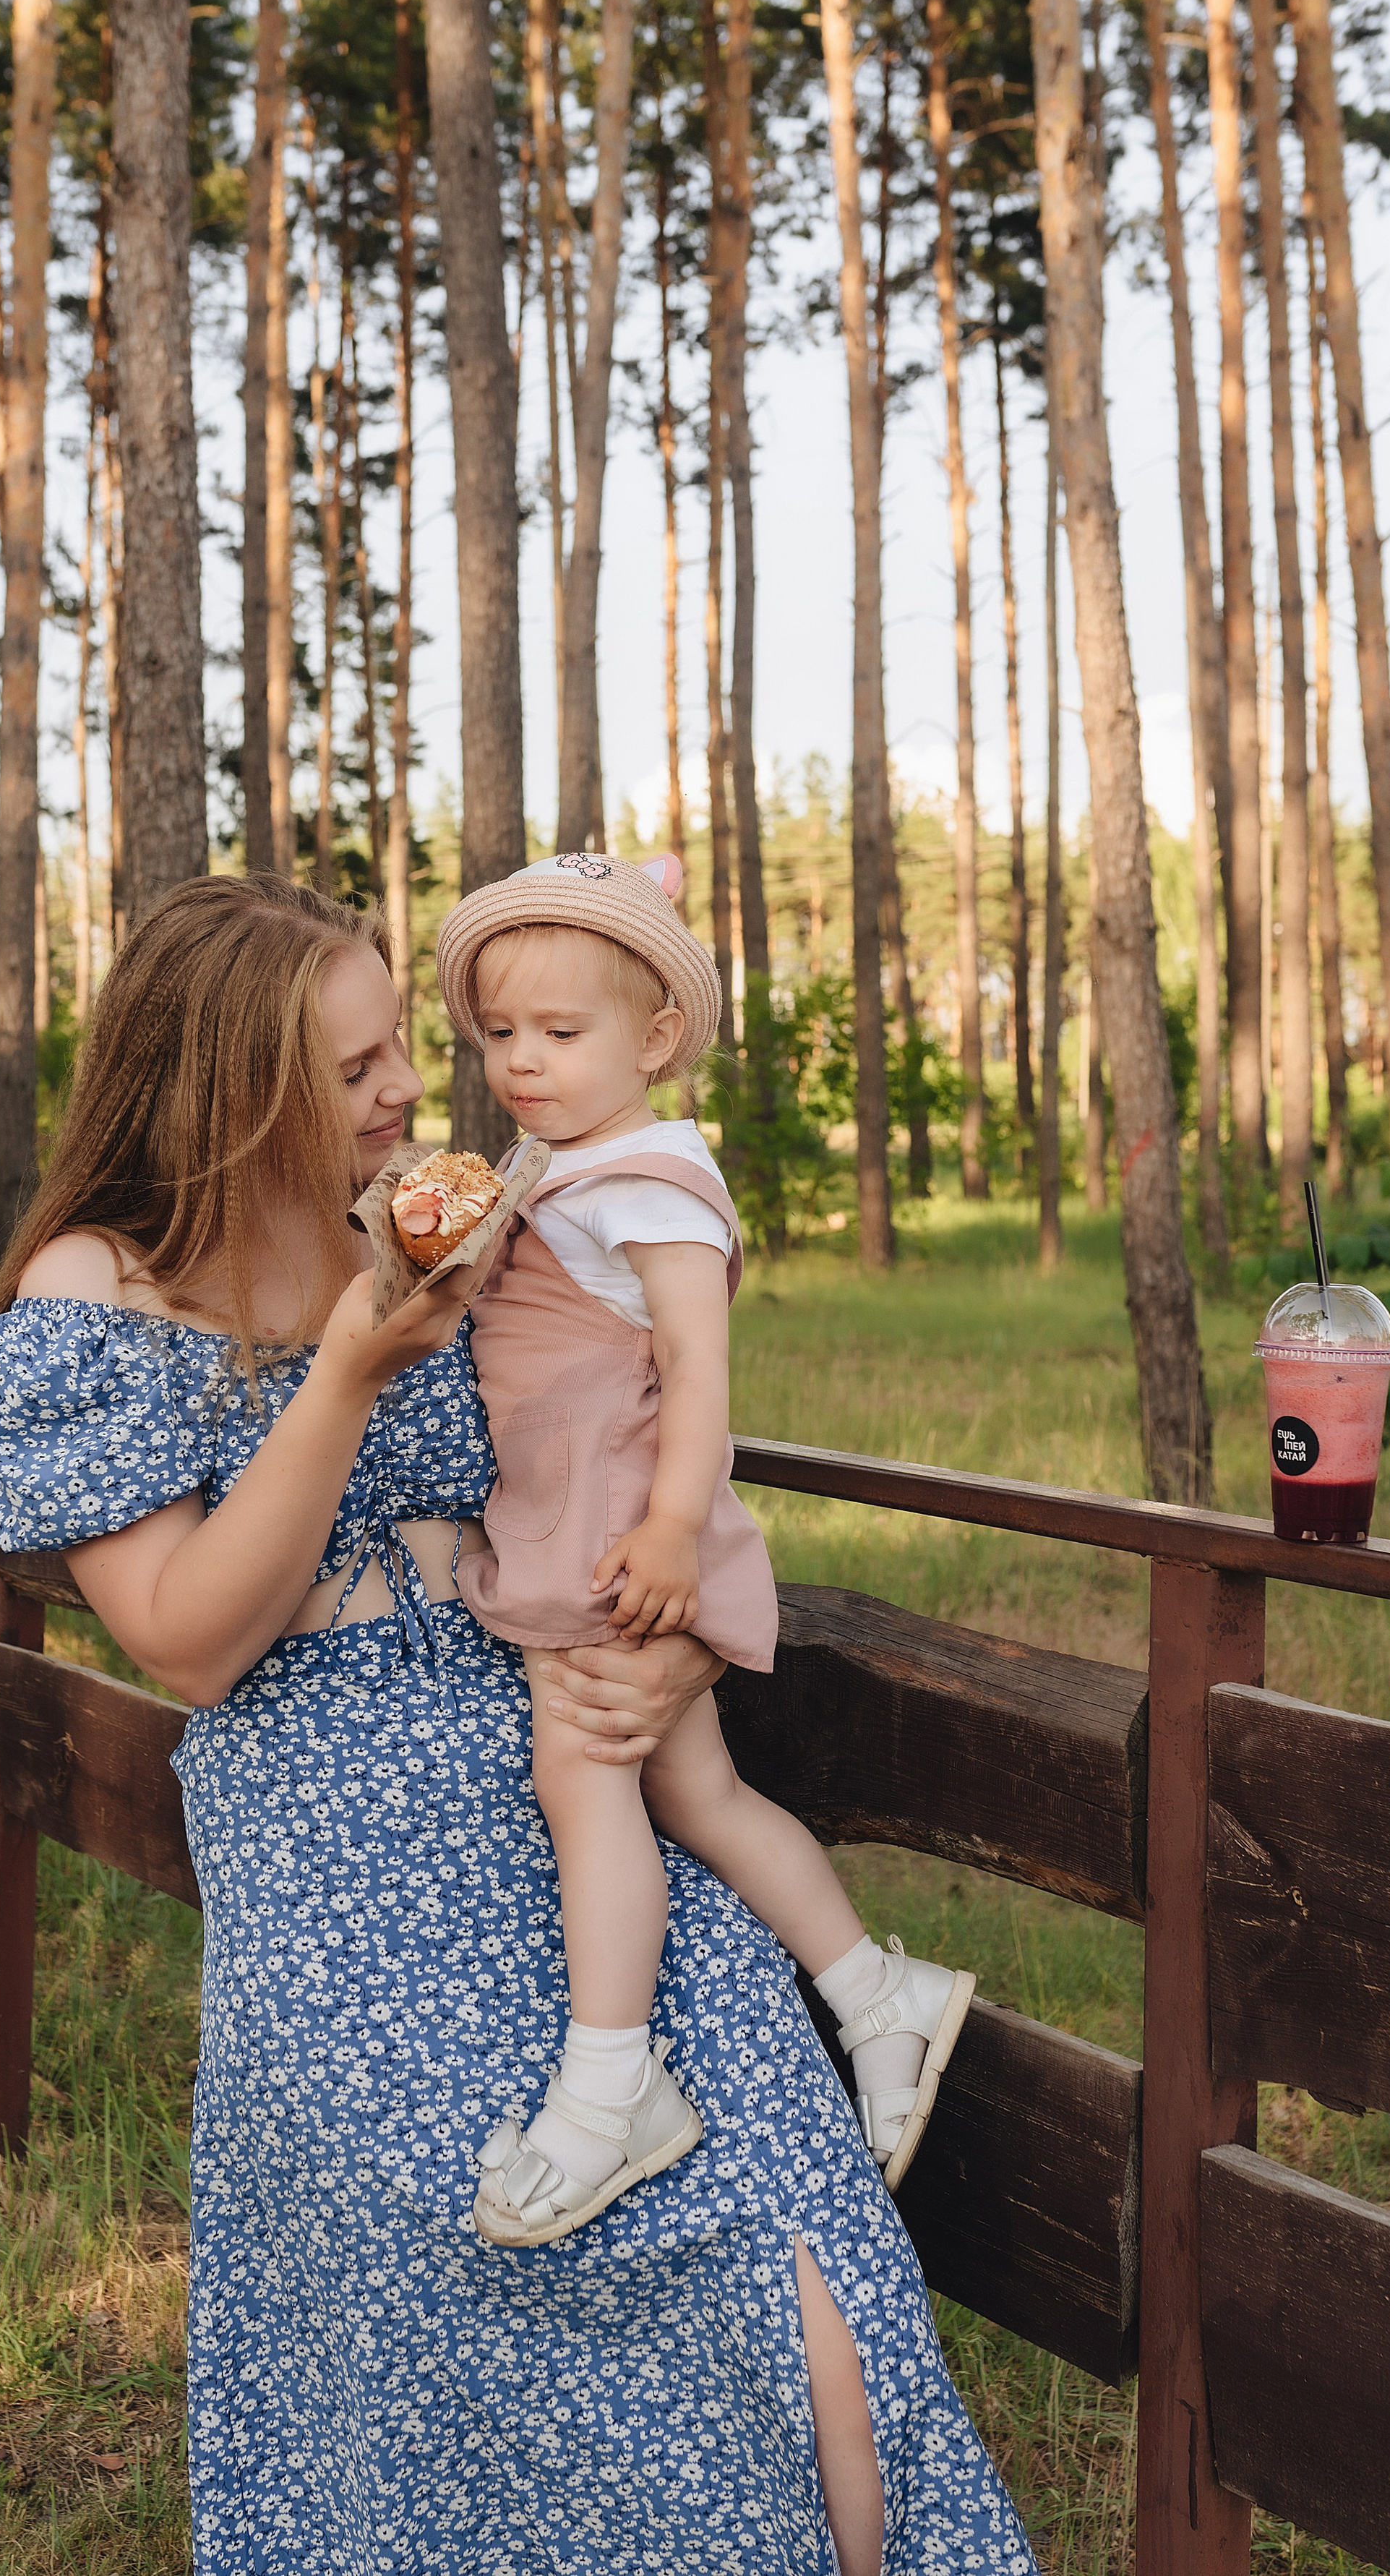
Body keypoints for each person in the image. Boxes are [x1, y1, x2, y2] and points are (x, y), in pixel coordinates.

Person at [0, 873, 1039, 2576]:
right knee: (459, 2249)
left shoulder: (425, 1216)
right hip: (334, 1835)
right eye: (353, 1064)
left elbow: (600, 1442)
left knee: (786, 2198)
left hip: (566, 1777)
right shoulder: (91, 1297)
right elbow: (185, 1641)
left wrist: (672, 1638)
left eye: (400, 1037)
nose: (409, 1083)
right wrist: (343, 1368)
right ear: (229, 1085)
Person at [434, 852, 974, 2248]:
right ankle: (875, 1992)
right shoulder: (556, 1164)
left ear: (655, 1037)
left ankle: (613, 2086)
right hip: (584, 1509)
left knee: (582, 1773)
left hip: (617, 1533)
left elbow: (698, 1364)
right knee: (701, 1791)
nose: (523, 1062)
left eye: (562, 1035)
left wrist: (674, 1525)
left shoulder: (652, 1180)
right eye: (500, 1035)